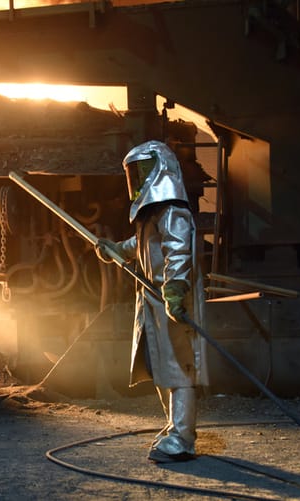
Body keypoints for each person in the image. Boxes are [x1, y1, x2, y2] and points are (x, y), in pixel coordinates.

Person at [95, 140, 206, 463]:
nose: (138, 179)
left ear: (161, 170)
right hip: (154, 302)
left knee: (179, 371)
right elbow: (139, 245)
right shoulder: (152, 214)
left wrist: (174, 292)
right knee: (161, 368)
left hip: (171, 302)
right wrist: (117, 248)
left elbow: (178, 252)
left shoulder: (174, 211)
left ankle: (183, 438)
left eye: (142, 171)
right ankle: (174, 427)